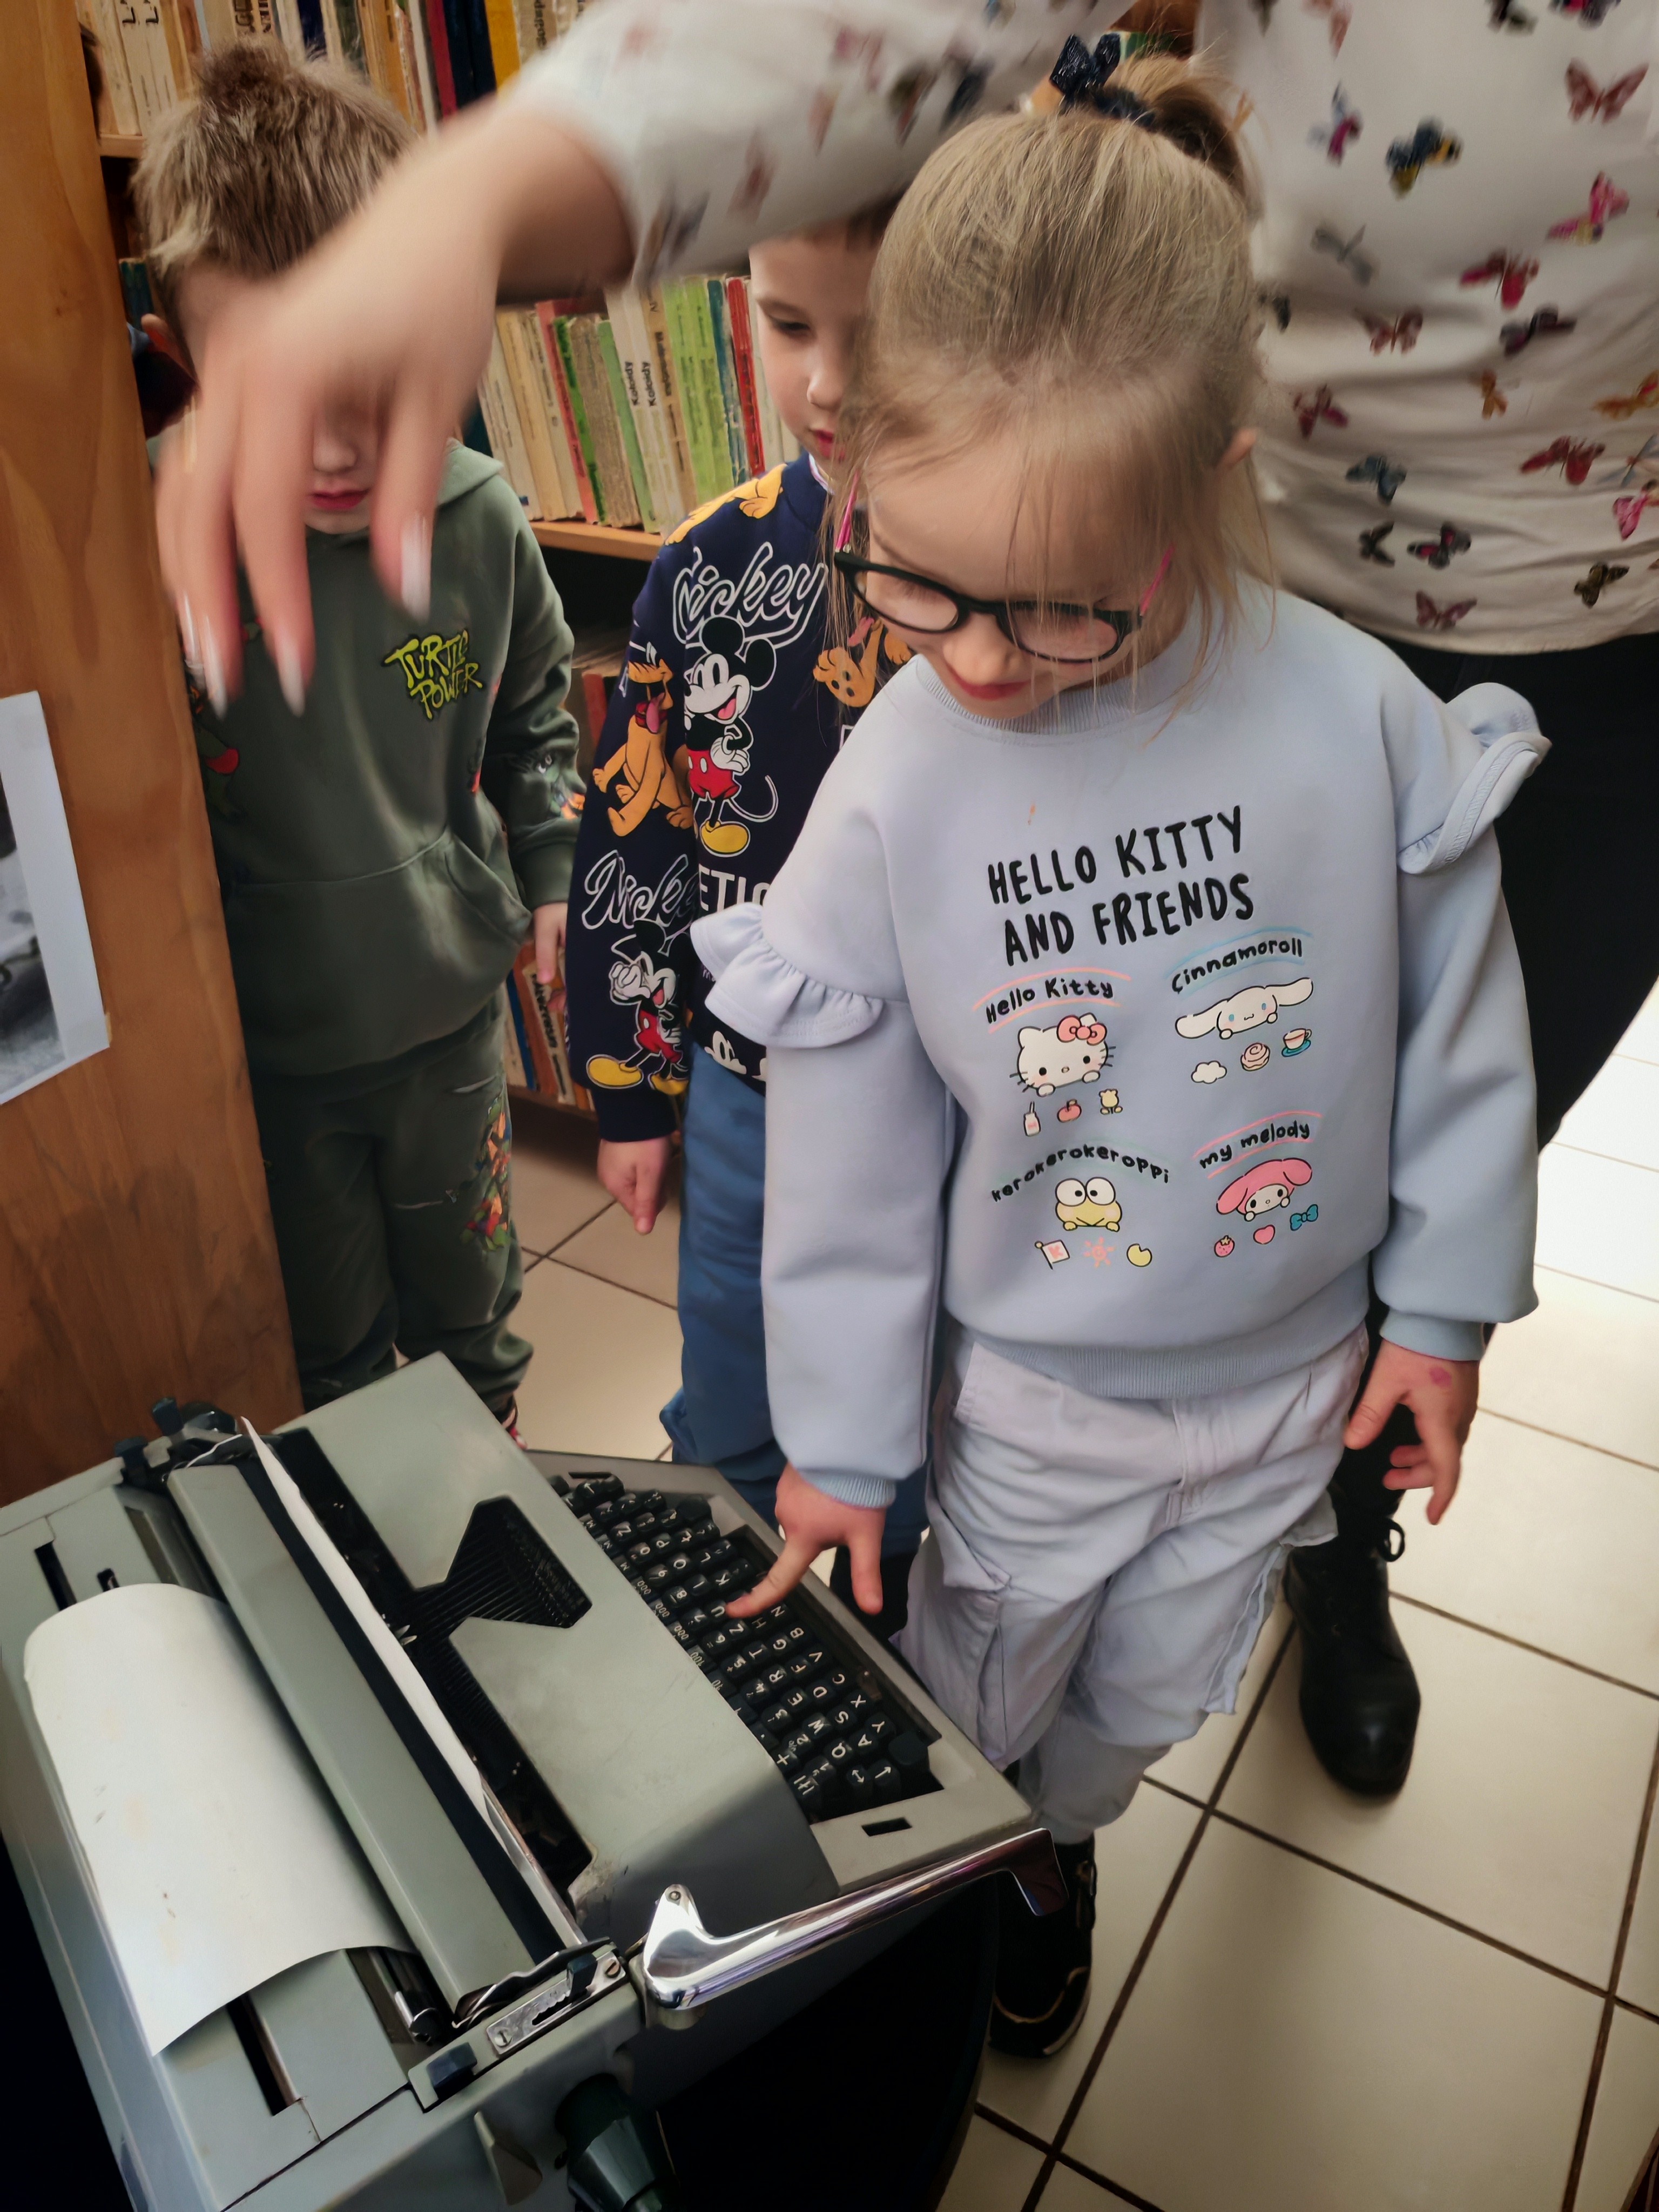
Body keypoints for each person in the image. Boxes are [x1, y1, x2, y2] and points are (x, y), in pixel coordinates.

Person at [691, 56, 1542, 2056]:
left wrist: (1441, 1317)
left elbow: (1460, 1034)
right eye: (919, 584)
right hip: (1038, 1404)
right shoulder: (900, 783)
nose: (984, 661)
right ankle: (968, 1865)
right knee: (974, 1687)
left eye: (1066, 609)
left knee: (1147, 1700)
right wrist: (843, 1444)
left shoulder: (1358, 716)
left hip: (1289, 1383)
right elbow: (846, 1153)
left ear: (1209, 482)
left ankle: (1047, 1845)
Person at [136, 42, 581, 1422]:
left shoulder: (480, 519)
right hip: (263, 1047)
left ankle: (487, 1466)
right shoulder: (144, 539)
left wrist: (553, 868)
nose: (333, 442)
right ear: (177, 359)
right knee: (321, 1335)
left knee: (469, 1301)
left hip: (444, 1012)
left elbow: (537, 701)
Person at [563, 209, 929, 1630]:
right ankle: (729, 1579)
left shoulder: (1023, 570)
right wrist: (626, 1086)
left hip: (941, 1103)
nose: (828, 383)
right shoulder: (704, 564)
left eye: (877, 332)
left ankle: (901, 1617)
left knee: (921, 1390)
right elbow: (635, 834)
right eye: (788, 326)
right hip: (741, 1083)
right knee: (730, 1348)